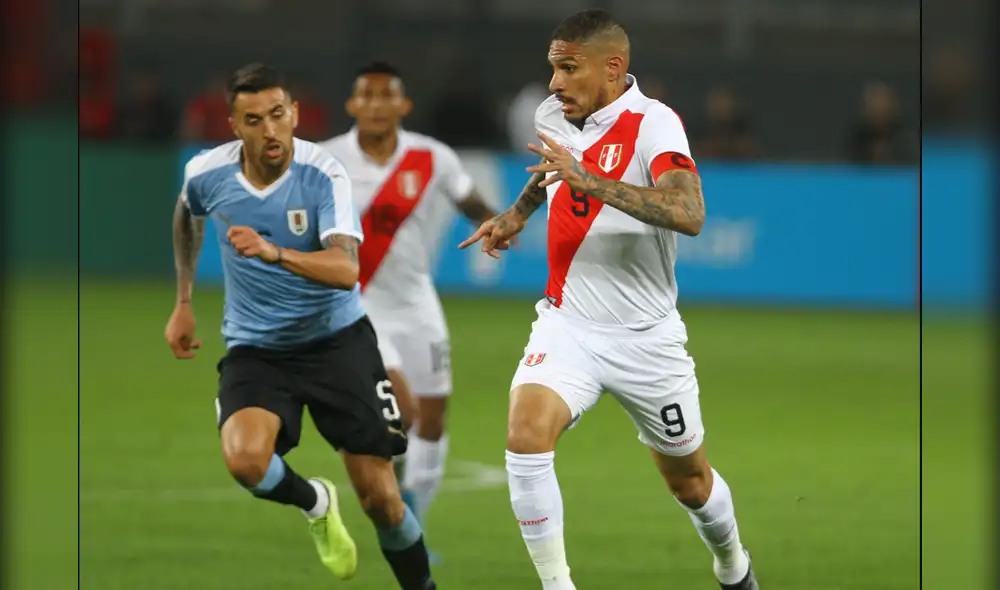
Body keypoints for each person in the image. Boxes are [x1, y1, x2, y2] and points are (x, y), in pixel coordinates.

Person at [459, 10, 759, 590]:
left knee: (691, 484)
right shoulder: (556, 115)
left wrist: (589, 179)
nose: (554, 84)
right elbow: (552, 172)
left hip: (646, 339)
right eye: (553, 67)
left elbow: (690, 214)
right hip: (567, 322)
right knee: (525, 437)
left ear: (612, 67)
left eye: (568, 68)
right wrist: (516, 215)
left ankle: (733, 564)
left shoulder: (656, 125)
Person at [163, 63, 437, 590]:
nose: (269, 129)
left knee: (381, 498)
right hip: (257, 348)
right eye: (253, 120)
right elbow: (185, 214)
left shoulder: (323, 174)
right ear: (233, 125)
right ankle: (315, 500)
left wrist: (274, 252)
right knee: (245, 463)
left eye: (277, 114)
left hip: (336, 343)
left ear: (293, 113)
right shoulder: (207, 174)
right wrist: (183, 300)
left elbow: (346, 270)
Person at [320, 61, 501, 547]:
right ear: (352, 104)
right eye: (367, 95)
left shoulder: (432, 157)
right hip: (357, 305)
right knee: (401, 410)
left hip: (417, 301)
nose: (377, 104)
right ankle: (401, 513)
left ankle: (413, 513)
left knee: (434, 418)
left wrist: (496, 224)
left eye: (387, 95)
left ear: (405, 105)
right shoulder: (326, 159)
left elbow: (470, 203)